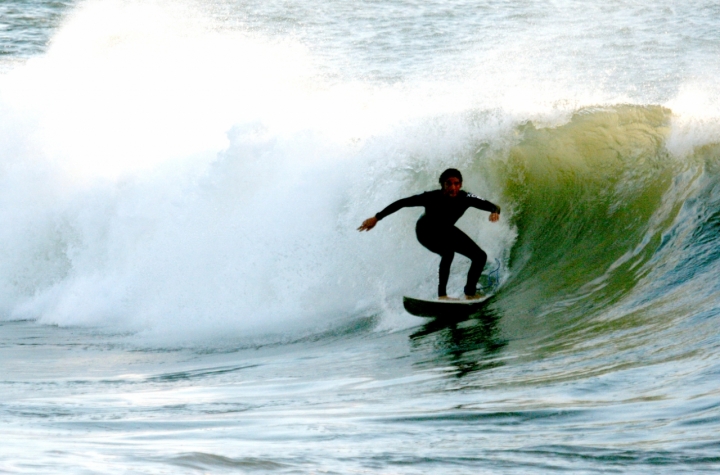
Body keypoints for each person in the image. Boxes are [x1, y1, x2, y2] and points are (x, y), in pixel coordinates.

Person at [358, 168, 500, 300]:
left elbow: (492, 205)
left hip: (446, 230)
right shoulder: (430, 197)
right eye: (448, 184)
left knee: (480, 256)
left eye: (456, 183)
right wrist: (377, 217)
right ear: (442, 185)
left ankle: (470, 293)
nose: (453, 187)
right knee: (448, 252)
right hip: (425, 232)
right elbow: (402, 203)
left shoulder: (466, 197)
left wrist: (494, 211)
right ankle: (442, 296)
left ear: (461, 184)